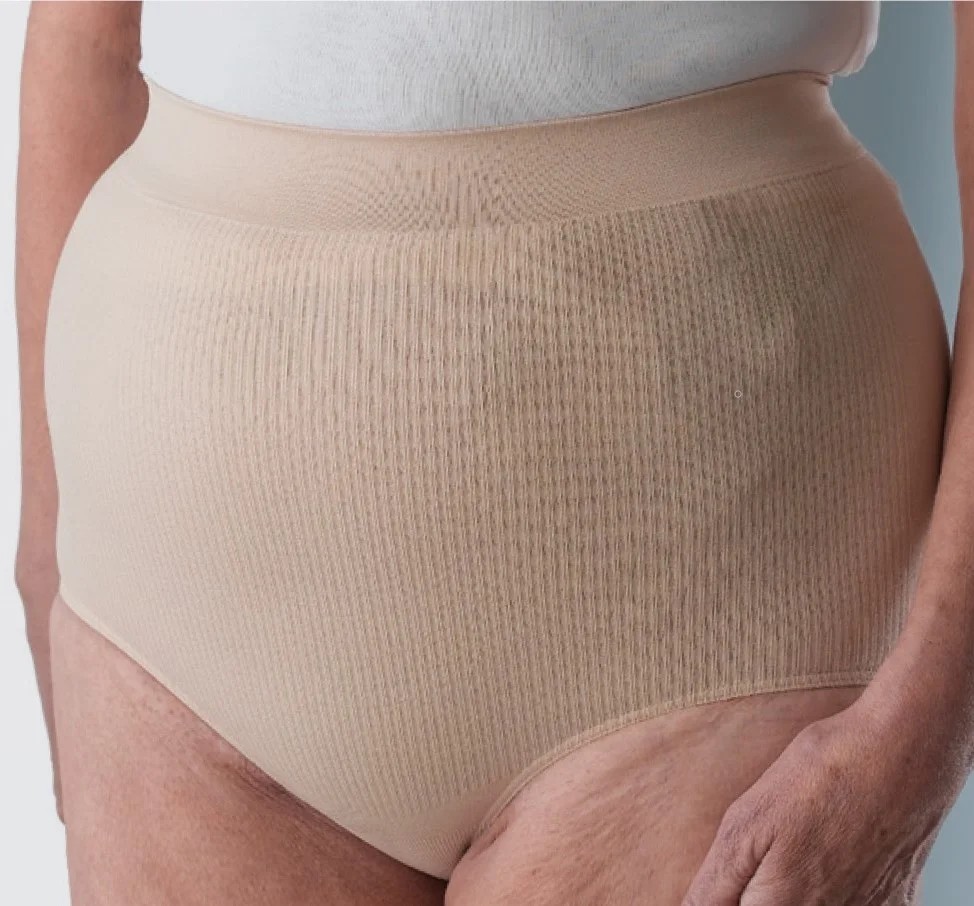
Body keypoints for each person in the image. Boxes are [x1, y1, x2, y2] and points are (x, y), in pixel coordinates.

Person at [14, 2, 974, 903]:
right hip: (175, 582)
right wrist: (49, 548)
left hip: (715, 579)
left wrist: (934, 712)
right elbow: (87, 37)